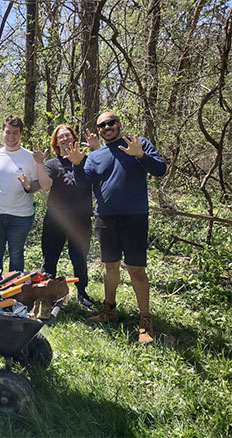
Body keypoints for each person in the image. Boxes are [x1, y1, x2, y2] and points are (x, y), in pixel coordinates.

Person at [67, 112, 166, 343]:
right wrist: (77, 165)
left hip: (135, 218)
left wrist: (140, 155)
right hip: (105, 219)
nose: (107, 127)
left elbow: (160, 169)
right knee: (109, 267)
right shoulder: (95, 156)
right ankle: (109, 311)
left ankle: (145, 320)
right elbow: (82, 185)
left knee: (136, 270)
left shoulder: (138, 144)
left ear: (119, 124)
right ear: (98, 130)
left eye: (111, 123)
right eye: (102, 125)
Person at [0, 115, 52, 272]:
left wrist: (28, 187)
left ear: (20, 134)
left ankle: (16, 293)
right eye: (7, 132)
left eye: (15, 132)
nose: (11, 136)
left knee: (16, 254)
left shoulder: (30, 157)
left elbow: (39, 184)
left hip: (20, 216)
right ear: (2, 132)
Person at [41, 124, 100, 307]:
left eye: (68, 135)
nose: (65, 139)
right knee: (50, 258)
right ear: (56, 143)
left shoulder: (87, 161)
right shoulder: (51, 164)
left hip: (80, 218)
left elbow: (102, 171)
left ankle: (82, 292)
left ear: (74, 139)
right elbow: (45, 183)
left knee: (79, 257)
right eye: (61, 137)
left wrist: (96, 148)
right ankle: (46, 294)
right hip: (55, 219)